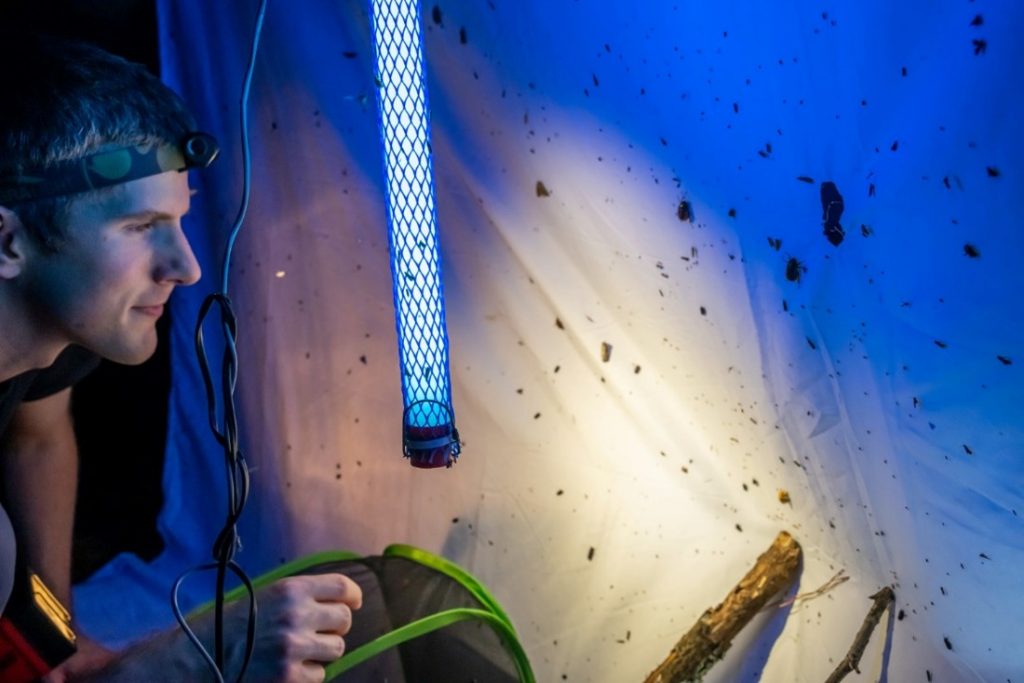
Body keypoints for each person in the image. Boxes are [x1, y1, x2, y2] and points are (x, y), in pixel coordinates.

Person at [0, 32, 361, 682]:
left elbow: (38, 436)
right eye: (139, 228)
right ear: (7, 244)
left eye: (179, 221)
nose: (187, 268)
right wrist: (180, 662)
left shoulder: (46, 335)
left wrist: (56, 634)